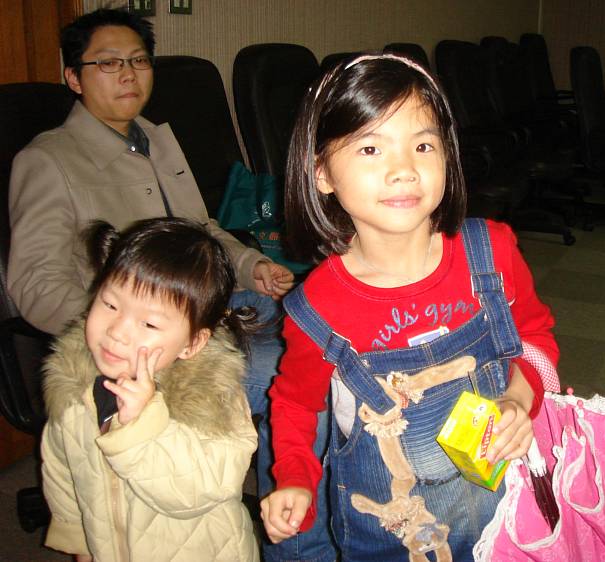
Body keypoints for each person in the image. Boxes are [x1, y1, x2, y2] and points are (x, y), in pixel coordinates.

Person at [260, 53, 560, 561]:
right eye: (371, 148)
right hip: (394, 535)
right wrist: (294, 478)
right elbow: (296, 404)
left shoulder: (491, 252)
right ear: (321, 173)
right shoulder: (318, 307)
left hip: (506, 513)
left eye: (423, 145)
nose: (403, 170)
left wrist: (518, 397)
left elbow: (535, 337)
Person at [6, 7, 293, 423]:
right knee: (285, 377)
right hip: (146, 343)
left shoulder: (157, 140)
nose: (128, 74)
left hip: (209, 309)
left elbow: (199, 231)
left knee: (325, 335)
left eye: (138, 60)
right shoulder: (48, 160)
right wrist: (126, 329)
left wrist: (252, 266)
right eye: (108, 63)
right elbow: (36, 283)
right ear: (74, 77)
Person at [41, 217, 260, 561]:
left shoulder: (212, 398)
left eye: (149, 323)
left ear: (192, 343)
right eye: (110, 304)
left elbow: (203, 490)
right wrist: (79, 541)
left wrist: (142, 427)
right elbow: (62, 469)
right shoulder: (74, 386)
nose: (117, 331)